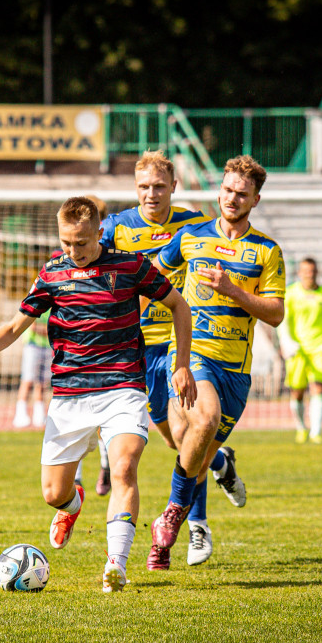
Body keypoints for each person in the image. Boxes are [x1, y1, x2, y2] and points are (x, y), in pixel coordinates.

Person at [0, 196, 196, 592]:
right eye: (67, 242)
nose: (74, 251)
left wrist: (182, 365)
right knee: (53, 493)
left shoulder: (130, 266)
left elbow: (179, 306)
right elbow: (16, 326)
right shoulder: (52, 272)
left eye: (82, 243)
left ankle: (116, 566)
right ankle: (73, 504)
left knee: (124, 468)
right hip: (70, 395)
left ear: (99, 232)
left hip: (122, 387)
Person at [146, 155, 286, 570]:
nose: (232, 198)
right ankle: (173, 516)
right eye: (227, 190)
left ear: (255, 200)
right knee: (203, 422)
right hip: (191, 354)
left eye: (242, 194)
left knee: (200, 458)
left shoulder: (267, 251)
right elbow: (150, 276)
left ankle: (167, 534)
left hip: (236, 371)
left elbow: (276, 313)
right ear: (219, 191)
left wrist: (234, 291)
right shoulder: (191, 237)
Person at [97, 151, 226, 505]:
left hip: (180, 343)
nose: (150, 194)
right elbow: (93, 271)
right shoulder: (115, 227)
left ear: (173, 186)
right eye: (143, 187)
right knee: (172, 439)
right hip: (138, 347)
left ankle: (196, 525)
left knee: (188, 431)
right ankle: (219, 459)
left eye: (158, 186)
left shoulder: (194, 223)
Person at [278, 257, 322, 444]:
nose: (309, 274)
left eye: (312, 271)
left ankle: (316, 432)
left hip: (319, 348)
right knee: (297, 391)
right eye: (305, 271)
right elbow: (282, 320)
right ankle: (301, 428)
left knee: (318, 387)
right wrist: (286, 342)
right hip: (297, 349)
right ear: (299, 273)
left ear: (317, 272)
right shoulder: (291, 293)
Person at [12, 309, 52, 428]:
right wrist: (50, 330)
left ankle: (39, 415)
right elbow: (33, 326)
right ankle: (20, 414)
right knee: (27, 380)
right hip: (33, 346)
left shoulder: (52, 307)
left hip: (47, 346)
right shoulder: (36, 304)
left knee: (42, 383)